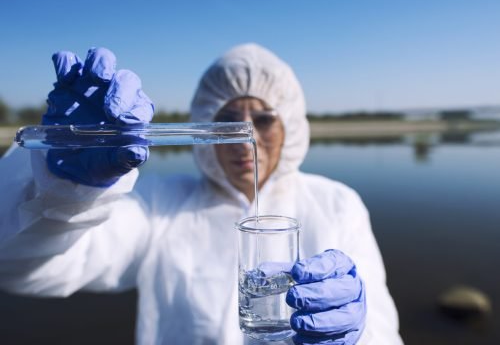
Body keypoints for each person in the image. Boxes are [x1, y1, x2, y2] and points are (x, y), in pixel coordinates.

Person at [0, 44, 403, 344]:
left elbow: (384, 332)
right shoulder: (160, 205)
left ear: (291, 126)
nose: (247, 139)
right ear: (205, 128)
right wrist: (63, 188)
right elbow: (23, 269)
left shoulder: (336, 204)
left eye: (264, 120)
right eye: (228, 121)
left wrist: (357, 335)